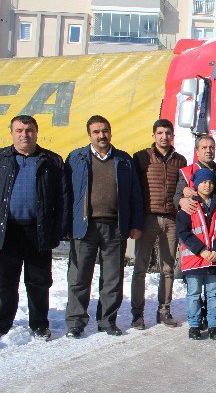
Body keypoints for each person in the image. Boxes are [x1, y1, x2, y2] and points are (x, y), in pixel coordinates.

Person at [64, 115, 143, 338]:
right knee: (79, 277)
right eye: (96, 132)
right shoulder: (76, 158)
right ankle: (76, 322)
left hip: (115, 227)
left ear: (110, 132)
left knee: (112, 279)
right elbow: (66, 194)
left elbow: (135, 196)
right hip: (84, 227)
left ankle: (107, 321)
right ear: (89, 134)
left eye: (105, 131)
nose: (101, 135)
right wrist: (66, 225)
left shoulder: (124, 160)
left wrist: (135, 223)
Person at [0, 116, 67, 340]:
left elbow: (63, 199)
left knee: (39, 281)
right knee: (5, 282)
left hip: (38, 230)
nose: (24, 134)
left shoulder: (51, 161)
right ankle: (3, 323)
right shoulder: (1, 159)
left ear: (36, 133)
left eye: (29, 130)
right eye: (19, 130)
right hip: (7, 232)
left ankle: (39, 324)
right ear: (12, 133)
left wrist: (57, 231)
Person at [130, 119, 186, 329]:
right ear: (153, 135)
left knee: (168, 268)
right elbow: (135, 191)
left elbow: (182, 190)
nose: (164, 136)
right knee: (140, 268)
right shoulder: (142, 158)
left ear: (172, 136)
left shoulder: (180, 161)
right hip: (147, 218)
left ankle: (164, 311)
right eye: (160, 133)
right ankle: (137, 314)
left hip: (171, 219)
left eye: (168, 133)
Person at [176, 169, 216, 340]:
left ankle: (213, 324)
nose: (207, 185)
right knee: (193, 293)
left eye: (210, 182)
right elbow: (183, 232)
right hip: (195, 259)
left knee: (213, 293)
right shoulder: (188, 205)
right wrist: (201, 250)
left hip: (214, 259)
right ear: (196, 184)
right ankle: (194, 325)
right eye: (203, 182)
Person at [174, 135, 216, 214]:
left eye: (211, 147)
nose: (208, 150)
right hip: (195, 218)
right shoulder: (186, 172)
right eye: (204, 147)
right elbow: (177, 197)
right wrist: (181, 201)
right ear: (197, 152)